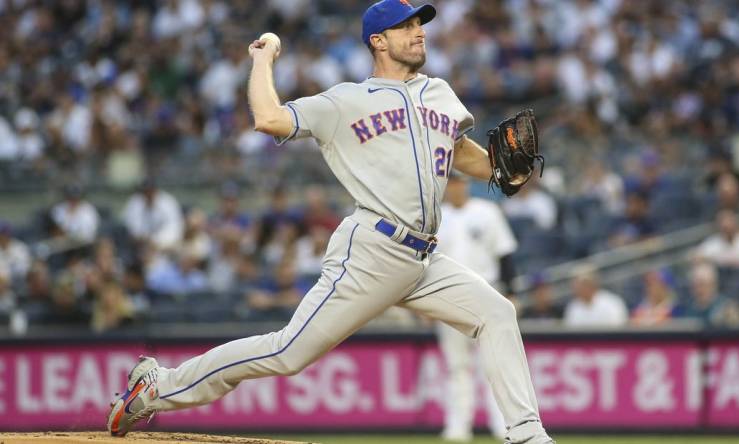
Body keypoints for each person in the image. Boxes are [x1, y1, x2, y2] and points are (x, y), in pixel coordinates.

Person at [107, 2, 554, 443]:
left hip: (424, 258)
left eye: (420, 24)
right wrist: (263, 61)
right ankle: (158, 387)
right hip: (371, 251)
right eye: (406, 27)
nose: (418, 32)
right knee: (286, 352)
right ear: (378, 41)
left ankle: (527, 434)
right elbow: (268, 118)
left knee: (497, 313)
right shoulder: (345, 101)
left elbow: (459, 152)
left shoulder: (439, 93)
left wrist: (499, 166)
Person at [435, 172, 517, 442]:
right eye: (452, 183)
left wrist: (511, 292)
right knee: (457, 365)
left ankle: (503, 425)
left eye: (460, 182)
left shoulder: (487, 212)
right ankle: (458, 427)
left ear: (467, 185)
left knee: (494, 364)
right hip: (448, 297)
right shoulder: (436, 217)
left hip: (487, 291)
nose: (457, 187)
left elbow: (505, 254)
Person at [563, 265, 628, 327]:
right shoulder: (573, 306)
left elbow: (618, 331)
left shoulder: (611, 302)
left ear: (591, 283)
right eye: (575, 284)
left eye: (582, 284)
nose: (577, 287)